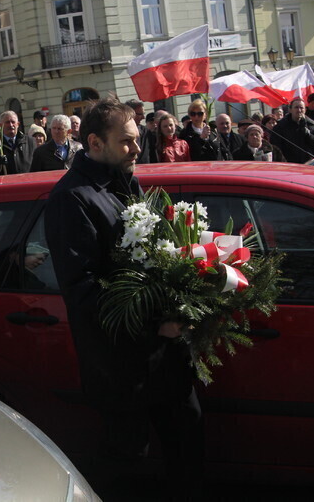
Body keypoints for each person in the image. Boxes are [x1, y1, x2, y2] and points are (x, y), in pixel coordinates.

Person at [44, 98, 203, 492]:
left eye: (138, 139)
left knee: (188, 446)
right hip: (120, 365)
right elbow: (83, 289)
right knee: (127, 464)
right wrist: (155, 325)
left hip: (165, 357)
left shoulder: (127, 182)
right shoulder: (72, 198)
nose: (137, 149)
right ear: (95, 143)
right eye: (128, 142)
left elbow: (151, 261)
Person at [271, 98, 314, 163]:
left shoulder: (311, 125)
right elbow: (276, 149)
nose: (299, 110)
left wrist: (307, 133)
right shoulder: (280, 127)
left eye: (301, 108)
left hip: (310, 164)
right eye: (296, 107)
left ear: (305, 110)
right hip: (290, 165)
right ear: (290, 110)